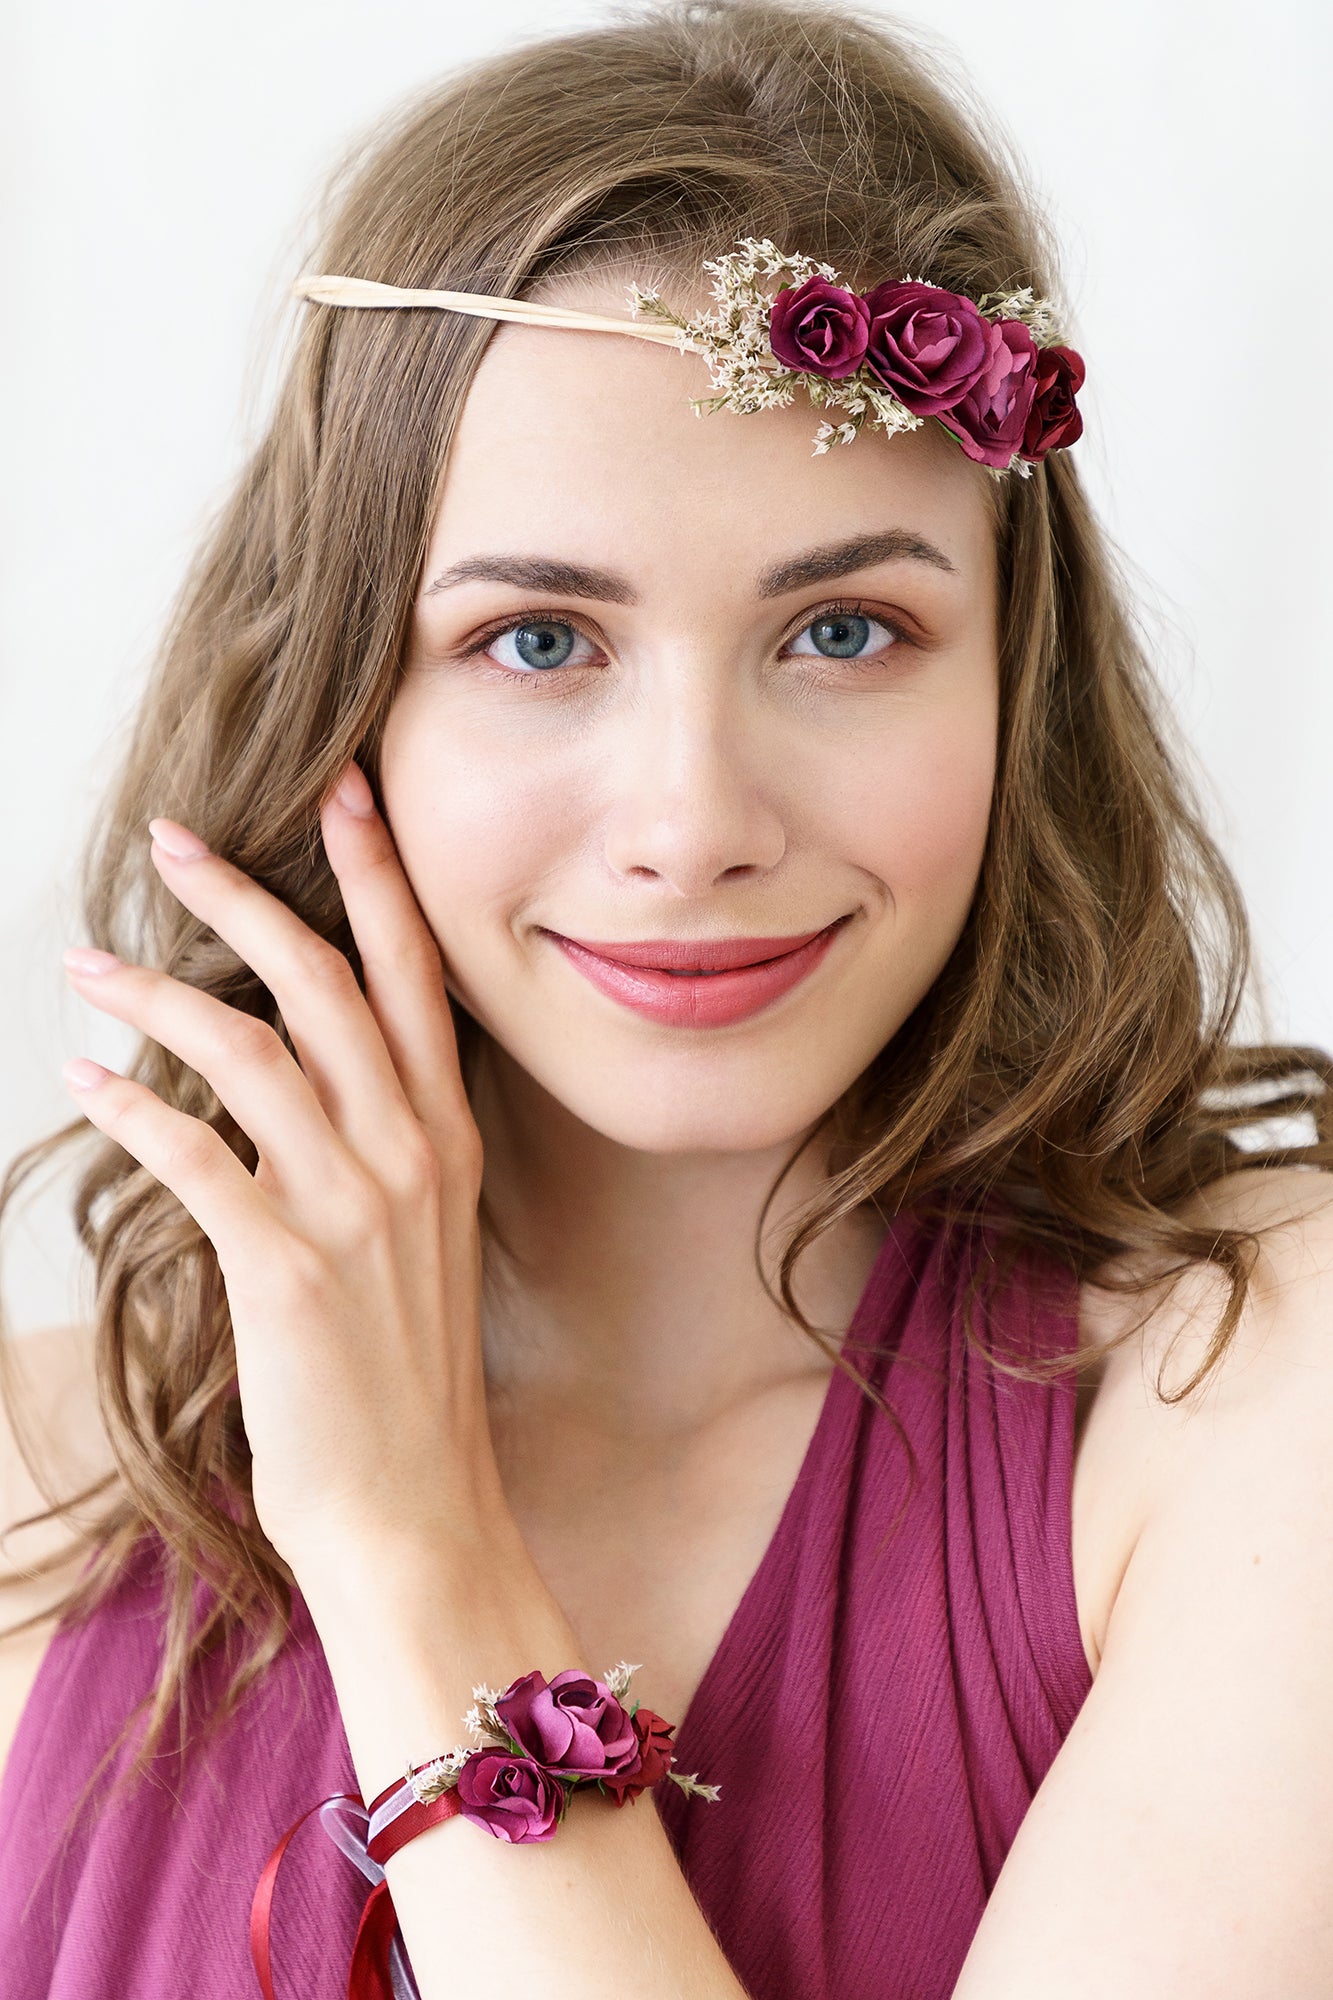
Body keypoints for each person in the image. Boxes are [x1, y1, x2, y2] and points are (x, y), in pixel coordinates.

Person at [2, 1, 1331, 1994]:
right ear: (342, 691)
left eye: (845, 627)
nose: (693, 819)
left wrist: (407, 1542)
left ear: (1012, 681)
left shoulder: (1251, 1391)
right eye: (538, 636)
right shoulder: (47, 1469)